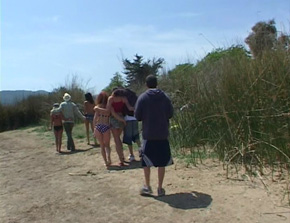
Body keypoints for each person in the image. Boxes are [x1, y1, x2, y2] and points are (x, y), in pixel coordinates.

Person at [135, 75, 174, 197]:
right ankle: (160, 188)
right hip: (162, 134)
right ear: (157, 83)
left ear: (146, 84)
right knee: (161, 162)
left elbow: (137, 116)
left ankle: (147, 186)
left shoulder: (142, 98)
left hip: (148, 134)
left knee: (146, 162)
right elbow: (170, 113)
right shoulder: (165, 97)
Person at [93, 91, 125, 167]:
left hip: (98, 126)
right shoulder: (109, 108)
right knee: (107, 145)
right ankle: (109, 158)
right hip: (106, 126)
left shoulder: (97, 107)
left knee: (102, 145)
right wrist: (122, 120)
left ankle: (106, 162)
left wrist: (94, 129)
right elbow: (115, 115)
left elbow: (95, 119)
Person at [107, 88, 134, 166]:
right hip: (121, 117)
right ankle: (122, 157)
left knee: (117, 140)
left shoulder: (111, 99)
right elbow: (130, 108)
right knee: (119, 139)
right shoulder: (124, 98)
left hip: (113, 119)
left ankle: (121, 159)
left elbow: (109, 111)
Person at [122, 88, 141, 162]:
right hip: (135, 118)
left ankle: (132, 155)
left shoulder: (125, 98)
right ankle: (141, 151)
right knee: (136, 136)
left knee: (128, 138)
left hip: (128, 119)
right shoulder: (135, 98)